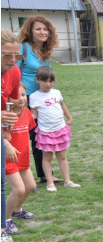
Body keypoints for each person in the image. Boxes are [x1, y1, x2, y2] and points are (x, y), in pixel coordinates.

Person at [17, 15, 61, 185]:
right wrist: (18, 98)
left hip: (40, 100)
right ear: (30, 31)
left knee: (38, 138)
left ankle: (44, 175)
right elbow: (14, 72)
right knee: (21, 139)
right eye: (38, 29)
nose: (43, 32)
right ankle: (21, 178)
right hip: (24, 99)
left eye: (45, 29)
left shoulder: (45, 51)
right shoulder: (23, 48)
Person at [29, 66, 80, 192]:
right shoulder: (34, 96)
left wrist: (69, 117)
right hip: (45, 131)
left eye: (51, 81)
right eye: (44, 81)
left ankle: (67, 181)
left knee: (62, 156)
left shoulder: (56, 93)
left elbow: (62, 105)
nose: (48, 84)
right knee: (47, 157)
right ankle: (50, 183)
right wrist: (26, 120)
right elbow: (34, 114)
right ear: (37, 80)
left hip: (59, 129)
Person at [1, 29, 27, 242]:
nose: (12, 60)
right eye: (6, 55)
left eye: (15, 56)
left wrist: (6, 136)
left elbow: (8, 103)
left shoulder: (14, 72)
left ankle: (1, 236)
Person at [3, 83, 36, 235]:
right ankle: (5, 220)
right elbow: (3, 137)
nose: (21, 99)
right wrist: (7, 145)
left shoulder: (27, 113)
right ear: (8, 99)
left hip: (23, 157)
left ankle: (17, 209)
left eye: (23, 95)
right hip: (9, 158)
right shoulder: (6, 116)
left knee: (30, 186)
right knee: (19, 189)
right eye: (16, 96)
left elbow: (27, 134)